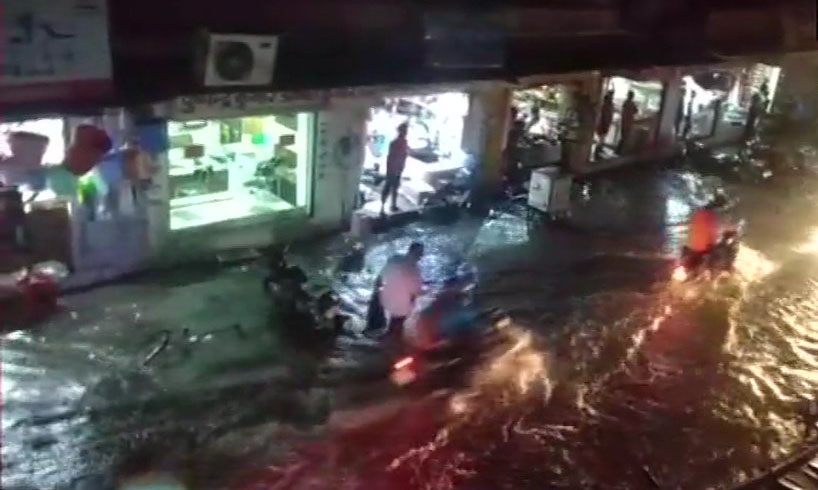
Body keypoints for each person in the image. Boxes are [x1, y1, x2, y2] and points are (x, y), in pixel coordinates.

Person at [365, 242, 424, 340]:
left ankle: (391, 334)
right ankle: (387, 334)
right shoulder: (402, 262)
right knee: (395, 317)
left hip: (395, 294)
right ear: (412, 251)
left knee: (397, 318)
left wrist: (412, 303)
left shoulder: (409, 266)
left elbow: (415, 290)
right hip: (394, 292)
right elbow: (382, 275)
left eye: (421, 254)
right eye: (419, 253)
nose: (421, 256)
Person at [683, 193, 735, 269]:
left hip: (692, 248)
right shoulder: (714, 215)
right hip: (705, 250)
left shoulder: (698, 211)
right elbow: (713, 237)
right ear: (720, 206)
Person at [381, 122, 409, 214]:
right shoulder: (395, 143)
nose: (406, 132)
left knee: (394, 187)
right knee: (389, 186)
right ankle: (384, 205)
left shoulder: (403, 142)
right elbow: (391, 157)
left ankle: (391, 205)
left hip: (398, 168)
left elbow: (404, 155)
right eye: (405, 130)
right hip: (393, 168)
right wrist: (392, 169)